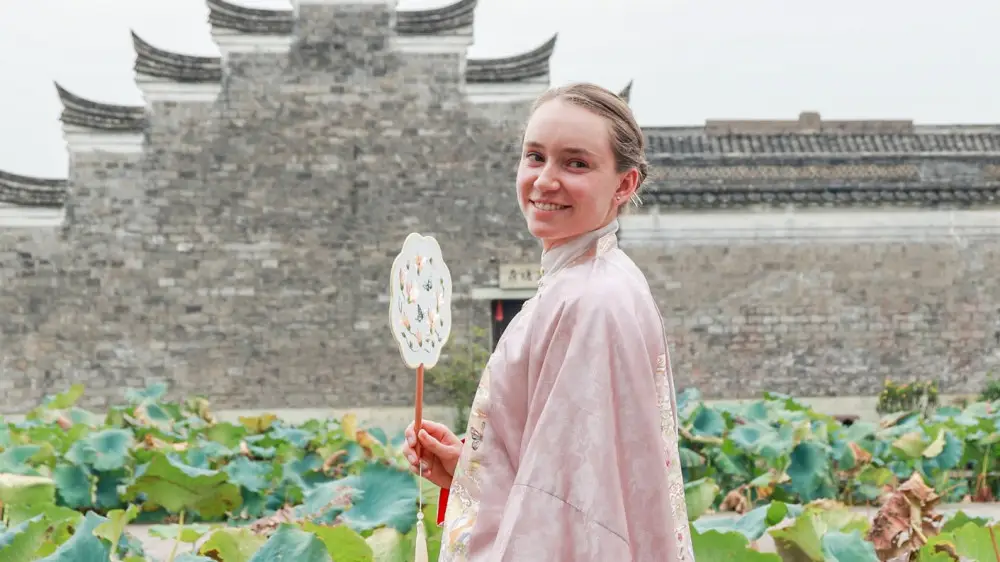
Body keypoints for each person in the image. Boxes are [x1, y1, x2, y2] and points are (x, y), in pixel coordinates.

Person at [403, 82, 695, 561]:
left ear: (624, 184)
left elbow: (572, 511)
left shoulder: (589, 302)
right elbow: (570, 474)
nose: (544, 181)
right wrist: (471, 469)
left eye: (575, 163)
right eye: (535, 157)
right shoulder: (594, 280)